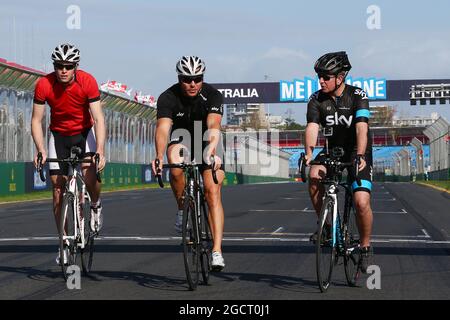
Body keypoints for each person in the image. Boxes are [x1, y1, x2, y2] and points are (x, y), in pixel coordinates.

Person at [31, 43, 106, 265]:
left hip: (84, 133)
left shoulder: (88, 81)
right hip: (59, 136)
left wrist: (100, 149)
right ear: (54, 66)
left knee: (90, 174)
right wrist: (41, 149)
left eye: (68, 66)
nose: (63, 70)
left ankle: (95, 204)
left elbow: (99, 118)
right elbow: (36, 120)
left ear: (76, 67)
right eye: (59, 66)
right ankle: (63, 242)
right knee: (57, 189)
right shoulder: (44, 84)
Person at [152, 56, 226, 271]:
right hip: (182, 138)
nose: (192, 84)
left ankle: (217, 251)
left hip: (209, 141)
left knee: (212, 191)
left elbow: (214, 123)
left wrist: (212, 149)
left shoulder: (212, 95)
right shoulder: (168, 96)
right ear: (179, 78)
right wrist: (158, 155)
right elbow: (163, 128)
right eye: (187, 79)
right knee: (174, 165)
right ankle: (183, 209)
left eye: (197, 78)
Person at [304, 51, 374, 273]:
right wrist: (308, 153)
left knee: (361, 201)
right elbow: (312, 127)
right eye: (319, 77)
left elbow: (362, 126)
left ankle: (364, 246)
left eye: (326, 76)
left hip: (357, 151)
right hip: (332, 151)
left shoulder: (358, 95)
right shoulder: (316, 99)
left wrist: (361, 155)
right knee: (314, 175)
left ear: (340, 77)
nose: (321, 81)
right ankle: (326, 226)